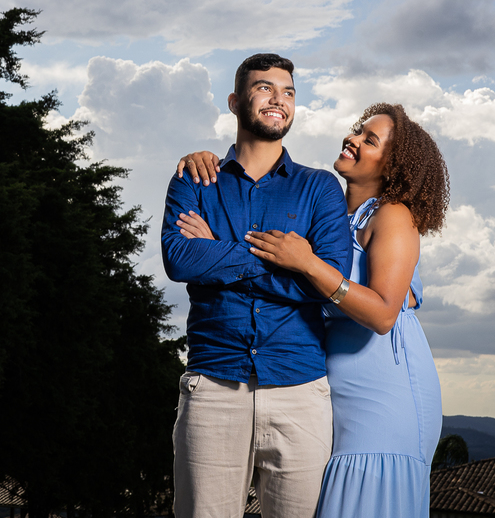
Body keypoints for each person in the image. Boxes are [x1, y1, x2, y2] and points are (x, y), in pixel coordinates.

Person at [176, 103, 450, 518]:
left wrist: (307, 264)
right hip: (331, 387)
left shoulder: (392, 216)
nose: (352, 139)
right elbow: (273, 263)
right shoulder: (328, 213)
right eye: (357, 130)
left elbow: (382, 315)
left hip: (383, 389)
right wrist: (216, 243)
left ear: (393, 165)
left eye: (369, 139)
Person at [162, 53, 353, 518]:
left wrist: (217, 252)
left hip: (299, 389)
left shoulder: (320, 188)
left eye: (288, 92)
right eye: (264, 88)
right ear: (234, 102)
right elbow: (180, 258)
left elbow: (327, 282)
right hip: (213, 385)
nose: (278, 99)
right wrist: (292, 261)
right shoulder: (195, 178)